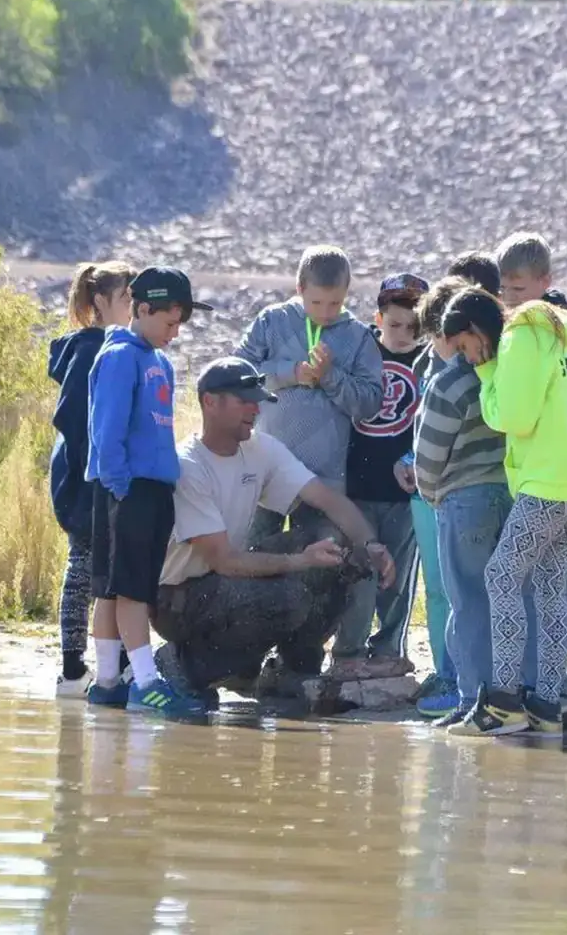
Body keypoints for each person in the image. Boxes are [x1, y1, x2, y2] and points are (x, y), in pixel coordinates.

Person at [150, 358, 396, 717]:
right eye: (244, 400)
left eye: (257, 399)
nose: (255, 408)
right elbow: (224, 560)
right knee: (290, 596)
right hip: (179, 599)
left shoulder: (260, 448)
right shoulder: (188, 466)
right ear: (209, 402)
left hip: (223, 580)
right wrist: (302, 561)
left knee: (340, 548)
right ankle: (187, 665)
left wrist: (371, 545)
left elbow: (327, 499)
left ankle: (292, 671)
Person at [442, 295, 567, 737]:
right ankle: (547, 706)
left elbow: (511, 419)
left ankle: (503, 703)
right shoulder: (554, 343)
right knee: (550, 589)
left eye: (464, 347)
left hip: (548, 483)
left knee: (500, 576)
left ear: (479, 331)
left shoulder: (518, 340)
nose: (467, 356)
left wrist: (485, 373)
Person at [84, 267, 211, 712]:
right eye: (169, 322)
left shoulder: (159, 361)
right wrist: (118, 484)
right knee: (129, 589)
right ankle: (143, 682)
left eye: (179, 325)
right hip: (126, 487)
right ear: (142, 309)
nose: (175, 332)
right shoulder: (120, 357)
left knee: (120, 586)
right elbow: (107, 428)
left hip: (153, 487)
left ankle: (105, 682)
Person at [412, 283, 511, 726]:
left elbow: (428, 456)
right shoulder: (508, 373)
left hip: (461, 499)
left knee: (468, 603)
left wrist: (433, 497)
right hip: (509, 496)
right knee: (507, 600)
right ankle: (510, 697)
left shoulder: (449, 381)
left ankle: (474, 700)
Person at [330, 274, 429, 681]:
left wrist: (411, 458)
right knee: (358, 570)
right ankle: (347, 650)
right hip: (354, 485)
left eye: (413, 327)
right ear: (378, 318)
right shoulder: (361, 353)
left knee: (399, 576)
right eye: (395, 325)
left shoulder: (429, 363)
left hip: (404, 490)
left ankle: (389, 648)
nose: (403, 335)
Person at [234, 245, 383, 492]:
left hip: (326, 475)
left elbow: (370, 405)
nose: (325, 313)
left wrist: (330, 376)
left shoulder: (358, 337)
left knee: (322, 532)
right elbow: (238, 377)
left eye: (335, 303)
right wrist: (291, 373)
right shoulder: (272, 321)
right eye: (316, 302)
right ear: (299, 288)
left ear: (346, 292)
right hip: (266, 465)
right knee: (257, 532)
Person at [49, 261, 133, 698]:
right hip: (85, 481)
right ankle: (72, 668)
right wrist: (95, 475)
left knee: (106, 571)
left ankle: (109, 663)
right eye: (126, 299)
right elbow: (75, 420)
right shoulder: (90, 350)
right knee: (84, 568)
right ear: (100, 303)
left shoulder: (115, 346)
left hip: (96, 477)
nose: (133, 307)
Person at [494, 232, 567, 309]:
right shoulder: (494, 314)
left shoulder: (559, 318)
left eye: (518, 288)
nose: (508, 297)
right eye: (501, 288)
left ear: (545, 281)